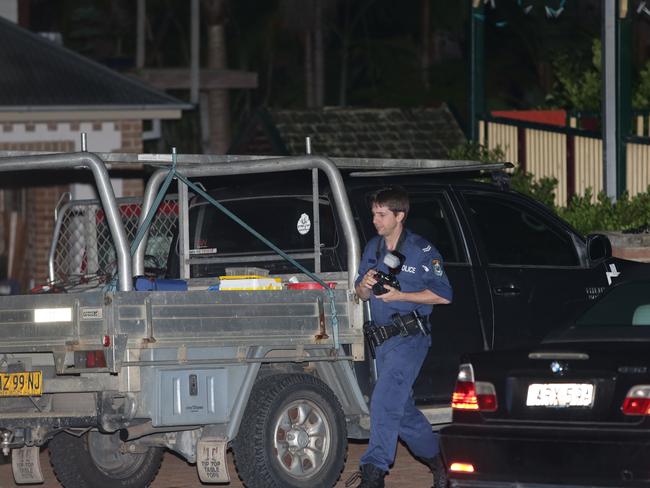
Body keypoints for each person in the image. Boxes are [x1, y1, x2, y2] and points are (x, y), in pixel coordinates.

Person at [348, 186, 452, 488]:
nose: (375, 221)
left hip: (409, 339)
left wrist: (401, 295)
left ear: (399, 215)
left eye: (381, 215)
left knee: (382, 399)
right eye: (373, 215)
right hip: (382, 343)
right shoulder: (373, 248)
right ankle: (440, 461)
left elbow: (444, 295)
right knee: (401, 411)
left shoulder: (422, 251)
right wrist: (364, 286)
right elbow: (359, 292)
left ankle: (373, 472)